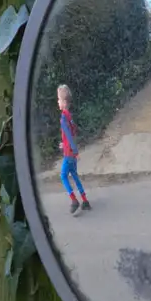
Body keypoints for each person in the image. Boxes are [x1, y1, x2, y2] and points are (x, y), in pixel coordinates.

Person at [56, 84, 91, 215]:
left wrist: (74, 152)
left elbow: (70, 137)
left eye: (59, 99)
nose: (57, 102)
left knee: (63, 176)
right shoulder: (69, 117)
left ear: (64, 102)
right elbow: (73, 133)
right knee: (75, 176)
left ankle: (74, 200)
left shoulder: (63, 118)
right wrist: (64, 145)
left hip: (69, 155)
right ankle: (85, 201)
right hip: (71, 152)